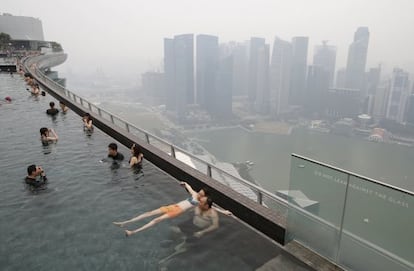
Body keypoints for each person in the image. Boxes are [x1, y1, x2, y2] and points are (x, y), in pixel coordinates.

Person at [113, 182, 209, 237]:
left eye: (202, 194)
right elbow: (190, 187)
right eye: (200, 192)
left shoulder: (201, 203)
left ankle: (133, 232)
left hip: (177, 211)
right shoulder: (195, 195)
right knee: (150, 213)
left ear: (204, 196)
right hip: (173, 206)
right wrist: (184, 183)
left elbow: (212, 207)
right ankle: (125, 222)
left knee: (156, 220)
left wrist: (224, 211)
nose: (200, 194)